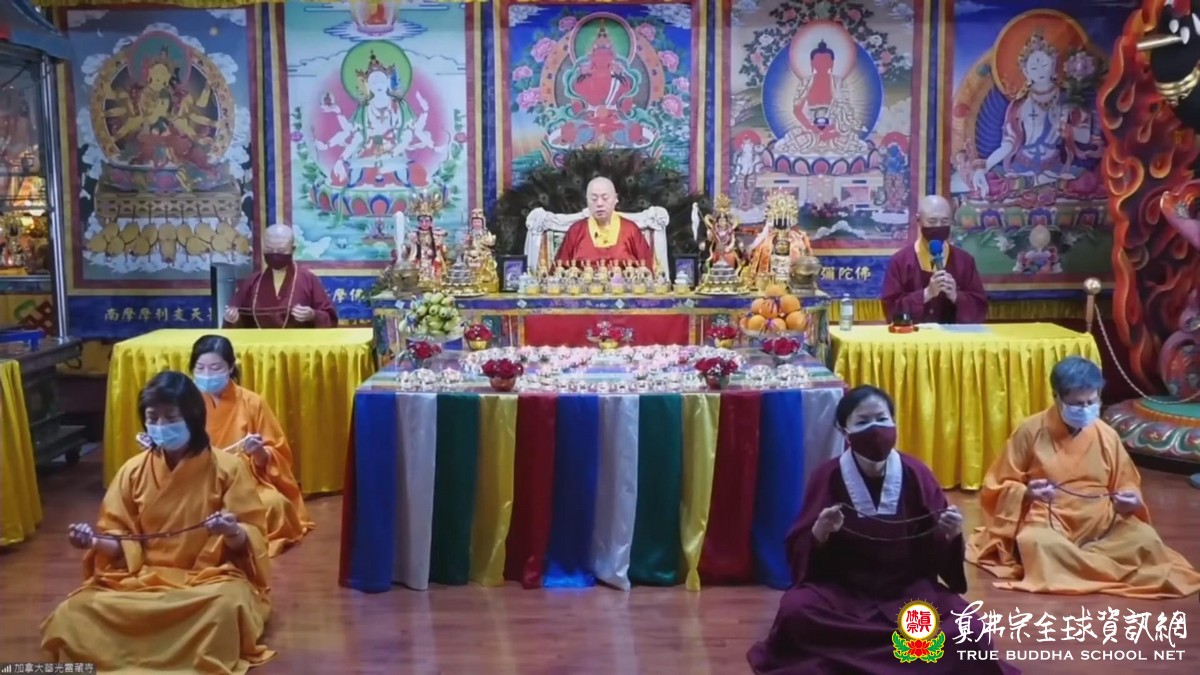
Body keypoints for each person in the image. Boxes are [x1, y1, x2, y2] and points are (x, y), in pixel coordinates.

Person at [747, 385, 1015, 674]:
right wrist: (820, 533)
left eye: (882, 419)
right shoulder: (827, 475)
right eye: (862, 422)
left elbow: (936, 552)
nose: (875, 429)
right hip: (842, 592)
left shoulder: (916, 473)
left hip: (908, 590)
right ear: (844, 431)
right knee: (797, 612)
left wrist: (947, 534)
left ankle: (848, 663)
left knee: (968, 628)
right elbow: (799, 548)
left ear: (894, 423)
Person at [41, 371, 274, 672]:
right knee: (74, 611)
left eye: (171, 417)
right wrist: (93, 541)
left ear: (193, 417)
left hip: (207, 581)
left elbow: (250, 538)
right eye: (153, 418)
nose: (161, 426)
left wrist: (232, 531)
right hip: (141, 579)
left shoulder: (228, 469)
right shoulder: (133, 470)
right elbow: (121, 539)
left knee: (225, 607)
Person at [967, 356, 1200, 598]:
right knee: (1036, 543)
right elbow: (998, 484)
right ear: (1057, 397)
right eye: (1078, 404)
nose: (1086, 409)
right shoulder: (1031, 431)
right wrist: (1027, 493)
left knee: (1147, 539)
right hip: (1049, 518)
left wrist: (1130, 499)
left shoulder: (1106, 435)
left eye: (1092, 401)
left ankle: (1077, 571)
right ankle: (1108, 572)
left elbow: (1126, 482)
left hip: (1101, 521)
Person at [188, 334, 313, 556]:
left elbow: (278, 454)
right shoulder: (186, 402)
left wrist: (259, 453)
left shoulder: (252, 402)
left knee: (275, 505)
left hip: (245, 484)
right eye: (200, 368)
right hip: (197, 482)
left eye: (215, 368)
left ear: (230, 367)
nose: (207, 375)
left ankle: (235, 537)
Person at [880, 195, 987, 323]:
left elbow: (979, 308)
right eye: (932, 221)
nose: (939, 226)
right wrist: (926, 294)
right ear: (918, 220)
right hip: (914, 334)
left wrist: (956, 296)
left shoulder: (964, 261)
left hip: (952, 335)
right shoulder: (900, 261)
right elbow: (891, 310)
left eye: (945, 221)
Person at [223, 224, 337, 328]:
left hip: (299, 343)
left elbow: (329, 317)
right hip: (261, 343)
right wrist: (233, 318)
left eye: (281, 250)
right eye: (269, 249)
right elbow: (237, 315)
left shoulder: (308, 279)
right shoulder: (253, 282)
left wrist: (313, 315)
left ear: (293, 250)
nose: (275, 253)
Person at [554, 176, 655, 268]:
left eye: (605, 198)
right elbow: (559, 270)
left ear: (615, 199)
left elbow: (648, 269)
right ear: (587, 201)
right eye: (594, 199)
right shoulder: (576, 231)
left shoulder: (630, 230)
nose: (599, 203)